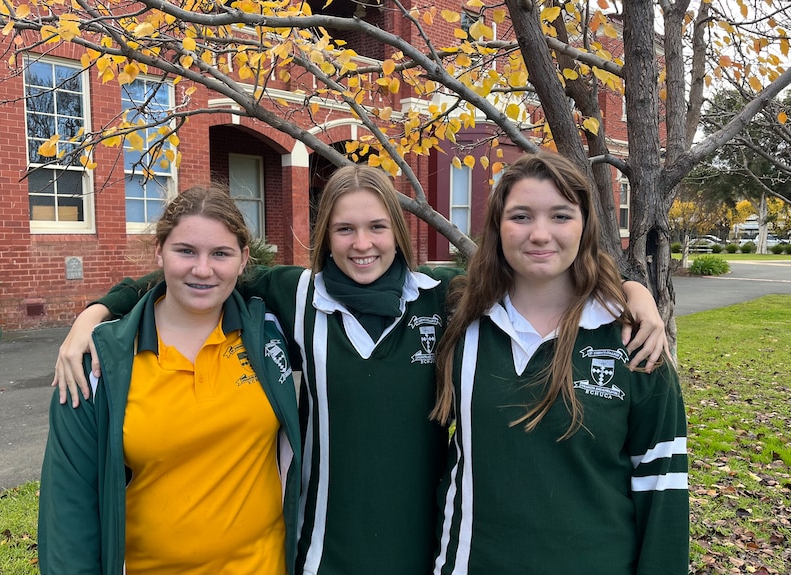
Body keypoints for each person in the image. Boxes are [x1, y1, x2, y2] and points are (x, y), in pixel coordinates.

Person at [50, 165, 669, 575]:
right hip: (323, 548)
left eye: (377, 227)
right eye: (344, 229)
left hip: (423, 545)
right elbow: (198, 272)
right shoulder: (297, 297)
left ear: (399, 233)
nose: (362, 244)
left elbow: (540, 276)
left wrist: (632, 294)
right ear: (325, 236)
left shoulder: (445, 297)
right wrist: (98, 311)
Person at [431, 152, 688, 575]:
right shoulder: (458, 319)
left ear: (585, 226)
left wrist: (634, 293)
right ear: (497, 227)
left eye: (561, 216)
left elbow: (664, 489)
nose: (540, 234)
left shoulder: (633, 339)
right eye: (520, 216)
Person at [38, 185, 301, 575]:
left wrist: (97, 307)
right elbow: (68, 512)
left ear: (244, 259)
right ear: (158, 251)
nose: (203, 269)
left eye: (221, 253)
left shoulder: (268, 330)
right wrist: (94, 316)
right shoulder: (99, 363)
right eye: (185, 251)